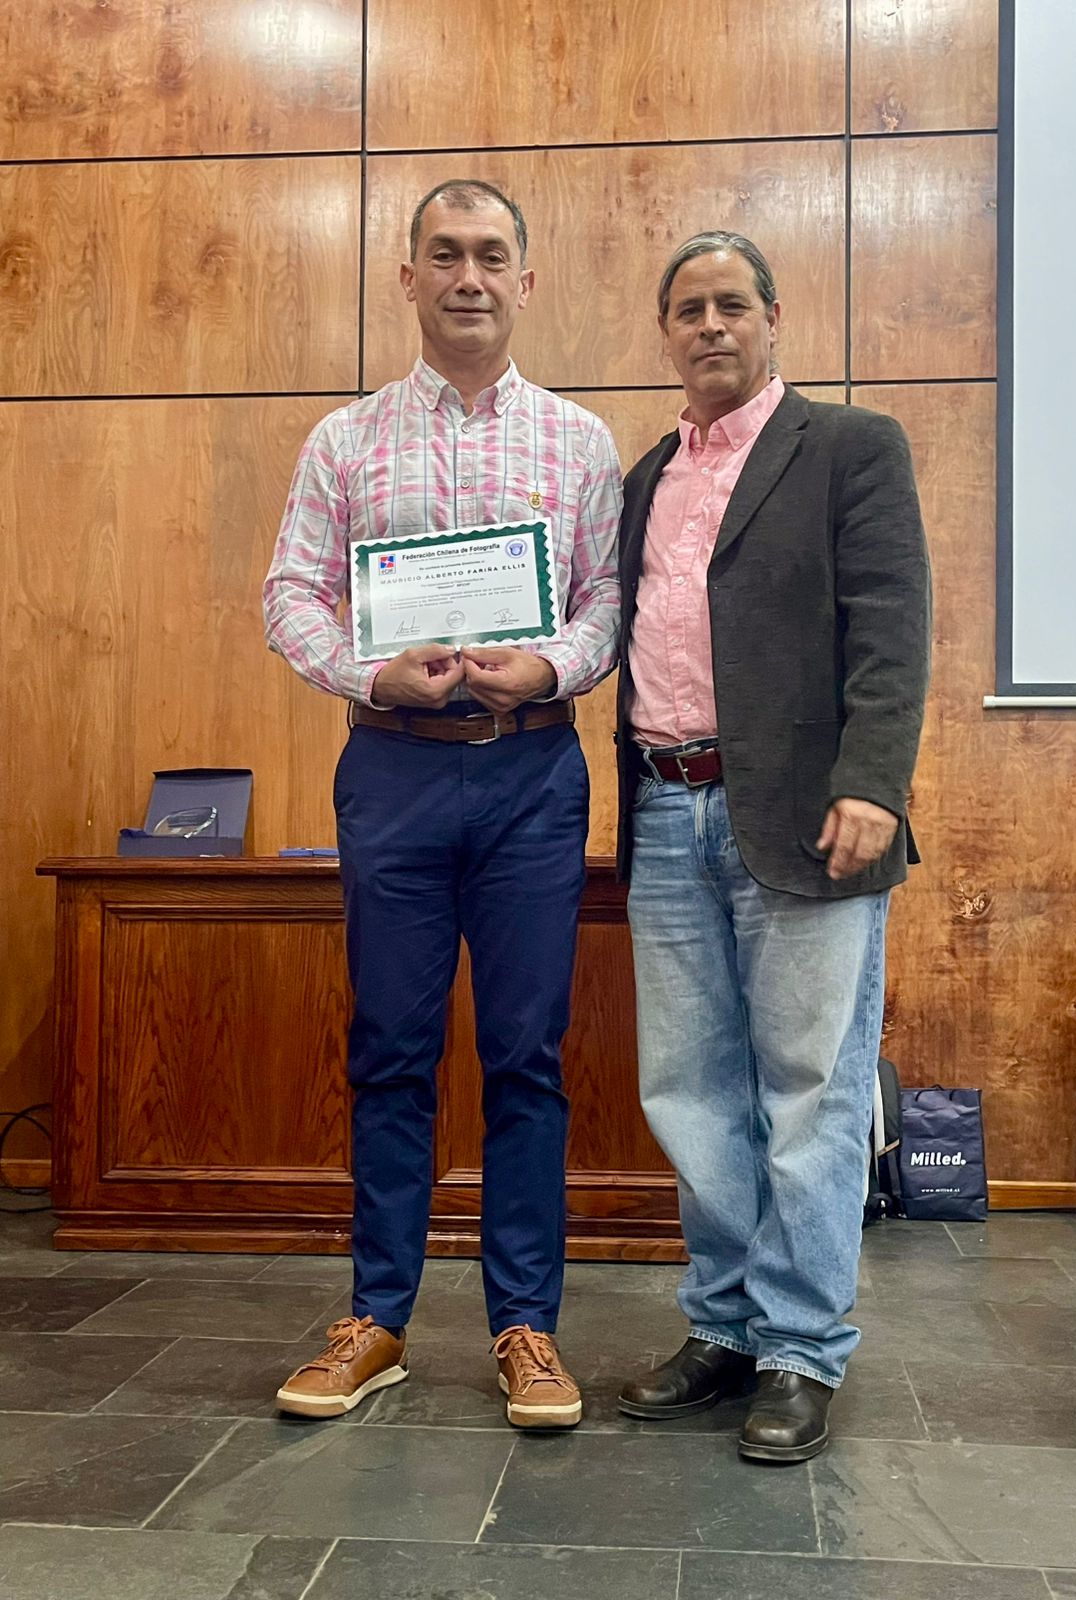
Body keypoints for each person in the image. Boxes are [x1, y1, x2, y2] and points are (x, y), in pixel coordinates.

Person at [263, 179, 621, 1429]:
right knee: (389, 1050)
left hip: (532, 772)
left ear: (526, 279)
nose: (470, 277)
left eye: (492, 256)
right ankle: (377, 1318)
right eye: (446, 255)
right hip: (394, 771)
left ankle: (526, 1326)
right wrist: (369, 671)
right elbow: (291, 594)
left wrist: (549, 666)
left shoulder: (580, 442)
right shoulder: (343, 440)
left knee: (527, 1055)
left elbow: (606, 603)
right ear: (408, 277)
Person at [614, 231, 931, 1463]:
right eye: (688, 308)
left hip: (809, 818)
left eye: (732, 304)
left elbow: (893, 621)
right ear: (666, 333)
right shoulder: (647, 475)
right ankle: (725, 1326)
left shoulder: (850, 445)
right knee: (691, 1092)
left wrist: (874, 783)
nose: (711, 325)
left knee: (811, 1089)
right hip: (664, 810)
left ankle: (800, 1346)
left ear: (773, 318)